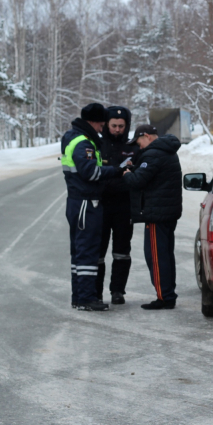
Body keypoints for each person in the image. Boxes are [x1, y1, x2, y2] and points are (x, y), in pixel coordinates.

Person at [61, 103, 123, 311]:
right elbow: (90, 173)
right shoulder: (83, 143)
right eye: (102, 124)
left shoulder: (73, 137)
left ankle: (79, 297)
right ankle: (86, 297)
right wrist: (114, 171)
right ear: (94, 121)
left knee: (79, 252)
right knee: (87, 251)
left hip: (78, 202)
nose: (102, 128)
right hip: (86, 203)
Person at [122, 124, 183, 310]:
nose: (138, 146)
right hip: (167, 212)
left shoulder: (153, 154)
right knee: (165, 254)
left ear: (147, 136)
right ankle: (168, 294)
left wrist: (126, 173)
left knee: (156, 257)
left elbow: (138, 181)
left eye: (139, 141)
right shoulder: (168, 150)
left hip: (157, 214)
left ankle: (164, 297)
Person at [97, 106, 138, 305]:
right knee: (98, 251)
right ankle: (96, 291)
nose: (117, 129)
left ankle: (118, 291)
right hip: (101, 205)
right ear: (106, 124)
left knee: (122, 251)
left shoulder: (133, 147)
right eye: (114, 125)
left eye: (121, 126)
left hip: (124, 205)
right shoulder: (97, 145)